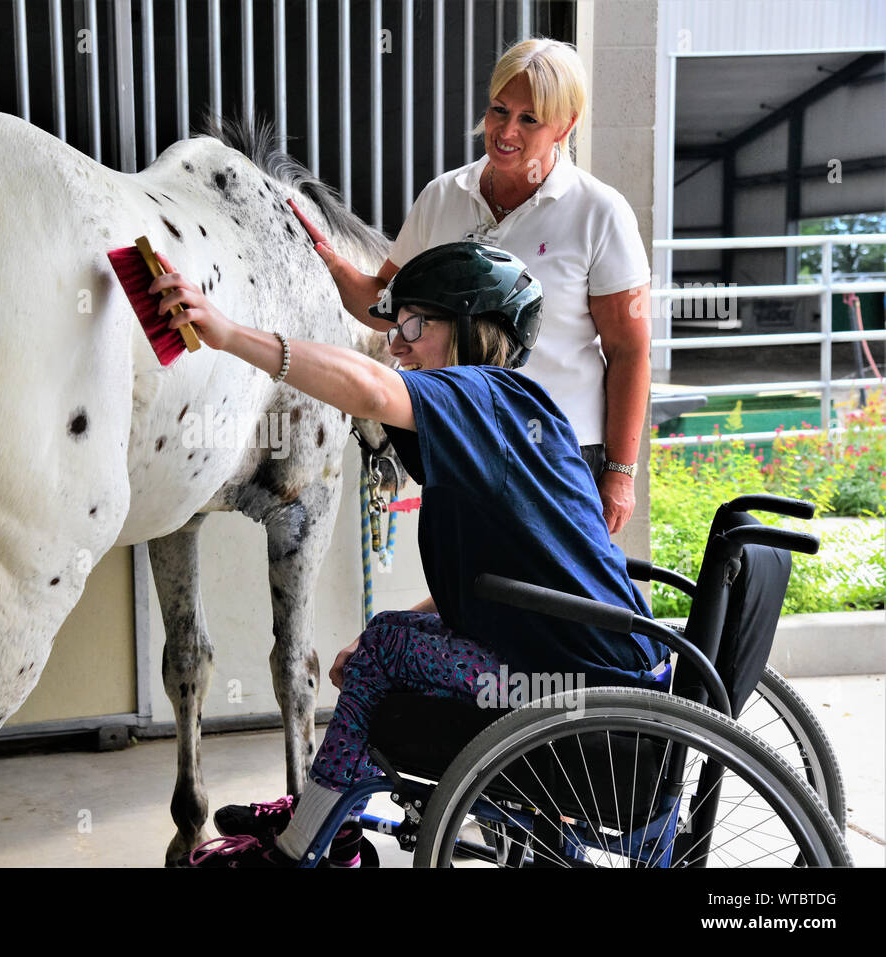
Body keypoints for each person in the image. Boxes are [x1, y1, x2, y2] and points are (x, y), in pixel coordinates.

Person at [148, 241, 670, 868]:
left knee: (387, 648)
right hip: (588, 657)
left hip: (580, 685)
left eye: (416, 325)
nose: (397, 344)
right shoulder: (507, 412)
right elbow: (492, 578)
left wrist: (228, 333)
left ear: (476, 327)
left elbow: (369, 390)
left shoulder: (483, 395)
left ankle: (307, 841)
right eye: (394, 328)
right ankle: (328, 813)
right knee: (385, 641)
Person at [317, 37, 652, 536]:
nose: (506, 131)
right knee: (466, 597)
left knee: (544, 605)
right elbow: (384, 305)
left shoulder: (599, 212)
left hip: (558, 450)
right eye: (499, 110)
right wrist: (322, 256)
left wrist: (621, 474)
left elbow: (629, 350)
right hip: (459, 439)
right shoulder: (442, 197)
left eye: (529, 119)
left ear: (567, 125)